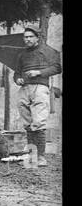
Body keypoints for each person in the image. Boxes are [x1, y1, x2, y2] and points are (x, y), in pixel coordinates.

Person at [13, 26, 61, 167]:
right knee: (27, 123)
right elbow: (16, 73)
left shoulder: (48, 51)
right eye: (25, 37)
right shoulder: (21, 55)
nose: (27, 39)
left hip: (40, 87)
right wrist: (17, 79)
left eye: (30, 37)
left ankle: (41, 157)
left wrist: (39, 72)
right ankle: (32, 156)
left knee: (38, 122)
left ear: (37, 38)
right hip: (24, 89)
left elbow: (57, 67)